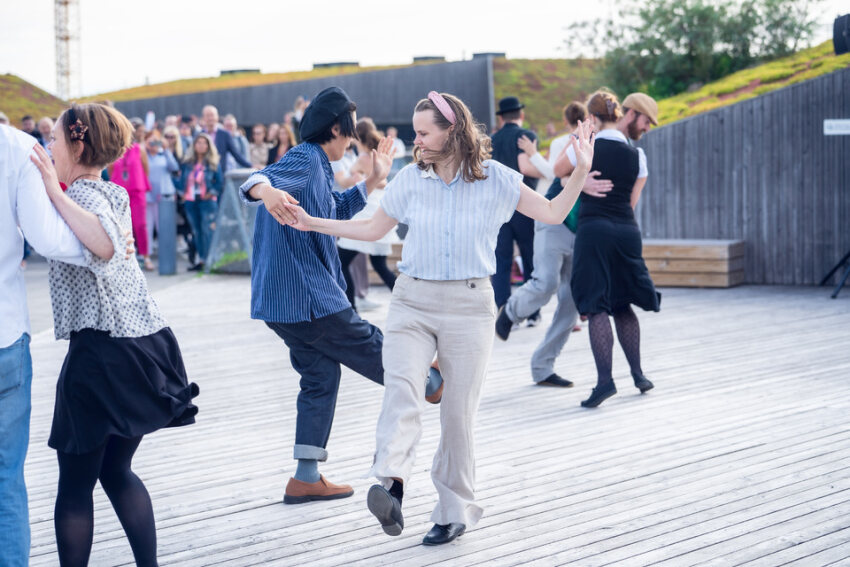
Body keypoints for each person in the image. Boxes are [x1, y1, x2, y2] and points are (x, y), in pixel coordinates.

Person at [283, 91, 593, 545]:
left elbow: (552, 211)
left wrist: (580, 170)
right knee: (401, 388)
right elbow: (371, 230)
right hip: (412, 301)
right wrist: (312, 222)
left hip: (470, 306)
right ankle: (390, 481)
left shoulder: (497, 180)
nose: (416, 140)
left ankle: (453, 512)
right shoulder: (410, 179)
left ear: (453, 131)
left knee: (457, 415)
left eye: (424, 132)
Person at [238, 86, 443, 506]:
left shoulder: (317, 169)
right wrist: (266, 191)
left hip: (280, 303)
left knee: (320, 376)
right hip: (305, 295)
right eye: (348, 132)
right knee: (365, 343)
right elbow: (258, 179)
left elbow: (329, 214)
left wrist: (372, 182)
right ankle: (429, 379)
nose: (351, 141)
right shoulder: (307, 158)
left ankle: (306, 476)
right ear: (334, 128)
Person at [31, 103, 198, 566]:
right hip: (145, 344)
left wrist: (53, 189)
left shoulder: (80, 197)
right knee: (116, 470)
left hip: (102, 351)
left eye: (56, 140)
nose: (50, 148)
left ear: (78, 143)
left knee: (75, 486)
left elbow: (104, 246)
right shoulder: (116, 193)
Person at [0, 122, 123, 567]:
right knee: (6, 480)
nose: (49, 144)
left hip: (78, 347)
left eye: (56, 137)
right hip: (5, 334)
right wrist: (108, 245)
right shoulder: (16, 147)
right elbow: (48, 238)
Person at [560, 90, 660, 408]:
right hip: (627, 232)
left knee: (596, 305)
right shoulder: (638, 156)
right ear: (627, 114)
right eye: (646, 121)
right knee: (623, 303)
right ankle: (639, 374)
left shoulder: (586, 147)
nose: (646, 128)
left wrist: (580, 182)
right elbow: (632, 202)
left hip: (594, 230)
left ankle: (605, 383)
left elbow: (559, 171)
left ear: (591, 118)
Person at [494, 102, 593, 388]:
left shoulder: (493, 141)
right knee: (543, 276)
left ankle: (541, 364)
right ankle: (513, 311)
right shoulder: (552, 140)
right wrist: (537, 155)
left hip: (573, 226)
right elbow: (544, 171)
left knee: (569, 300)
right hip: (543, 212)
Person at [489, 96, 544, 321]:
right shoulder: (527, 137)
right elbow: (526, 168)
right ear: (521, 115)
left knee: (501, 262)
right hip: (524, 206)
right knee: (530, 258)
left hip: (498, 208)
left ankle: (503, 311)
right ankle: (531, 312)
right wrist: (550, 170)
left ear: (501, 118)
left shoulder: (491, 140)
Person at [336, 119, 399, 309]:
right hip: (376, 209)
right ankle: (406, 301)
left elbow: (348, 181)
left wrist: (359, 179)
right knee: (379, 265)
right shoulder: (373, 156)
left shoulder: (364, 157)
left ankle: (351, 309)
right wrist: (363, 179)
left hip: (366, 213)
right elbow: (383, 182)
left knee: (341, 261)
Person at [110, 117, 153, 271]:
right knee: (122, 226)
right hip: (120, 193)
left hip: (136, 191)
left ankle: (145, 256)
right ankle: (126, 258)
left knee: (140, 224)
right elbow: (111, 170)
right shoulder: (114, 148)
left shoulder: (139, 149)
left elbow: (145, 169)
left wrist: (137, 182)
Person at [179, 133, 222, 271]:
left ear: (208, 146)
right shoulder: (187, 163)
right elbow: (181, 181)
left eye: (204, 143)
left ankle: (211, 261)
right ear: (194, 145)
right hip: (191, 201)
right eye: (198, 142)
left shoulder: (213, 162)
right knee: (196, 231)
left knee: (207, 230)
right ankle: (202, 260)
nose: (201, 145)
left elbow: (220, 182)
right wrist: (182, 194)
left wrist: (212, 193)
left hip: (207, 201)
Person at [144, 129, 181, 265]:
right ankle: (146, 256)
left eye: (156, 140)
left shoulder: (164, 154)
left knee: (164, 227)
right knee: (147, 227)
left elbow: (174, 167)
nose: (154, 143)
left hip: (164, 195)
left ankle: (167, 256)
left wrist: (166, 150)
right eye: (151, 140)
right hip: (148, 196)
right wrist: (145, 147)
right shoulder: (143, 155)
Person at [199, 105, 251, 176]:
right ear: (203, 118)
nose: (210, 118)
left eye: (212, 115)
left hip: (220, 174)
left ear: (217, 117)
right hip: (202, 174)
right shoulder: (199, 135)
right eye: (208, 115)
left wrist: (251, 165)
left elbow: (236, 154)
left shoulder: (224, 134)